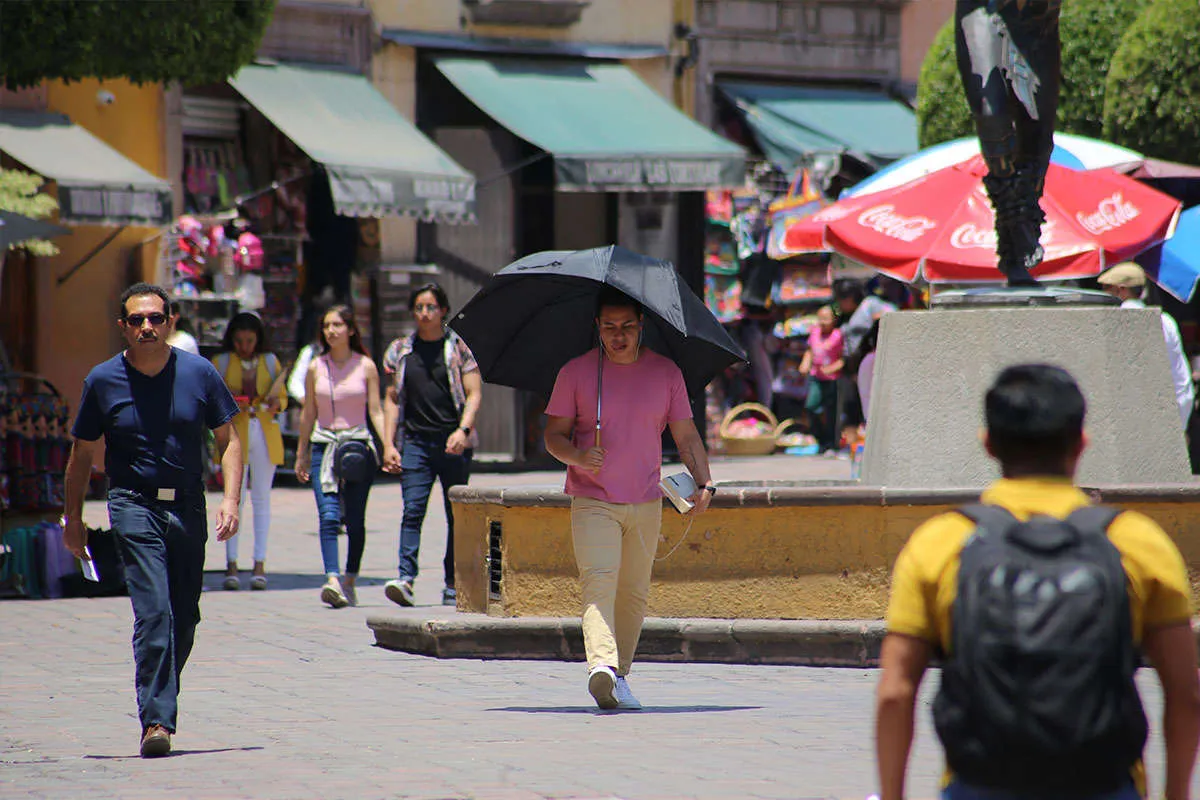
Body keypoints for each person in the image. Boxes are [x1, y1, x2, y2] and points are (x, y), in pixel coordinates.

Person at [876, 364, 1199, 800]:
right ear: (1081, 442)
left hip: (978, 785)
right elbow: (1185, 692)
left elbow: (896, 691)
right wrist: (1176, 793)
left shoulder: (941, 542)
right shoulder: (1137, 542)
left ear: (987, 443)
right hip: (1104, 785)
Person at [61, 282, 243, 758]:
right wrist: (71, 519)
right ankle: (156, 721)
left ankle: (160, 691)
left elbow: (229, 438)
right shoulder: (102, 381)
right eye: (137, 320)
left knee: (184, 616)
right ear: (122, 326)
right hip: (132, 503)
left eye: (156, 318)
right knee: (155, 610)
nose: (147, 327)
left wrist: (232, 500)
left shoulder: (199, 373)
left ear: (171, 322)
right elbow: (81, 454)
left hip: (187, 505)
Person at [544, 286, 715, 711]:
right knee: (599, 579)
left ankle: (619, 676)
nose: (618, 335)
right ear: (596, 329)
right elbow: (552, 437)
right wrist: (580, 456)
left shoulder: (666, 374)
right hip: (592, 498)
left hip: (645, 500)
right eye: (609, 327)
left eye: (627, 327)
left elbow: (686, 434)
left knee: (634, 592)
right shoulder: (576, 373)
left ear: (641, 328)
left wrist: (705, 481)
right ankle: (600, 666)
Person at [381, 283, 482, 608]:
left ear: (442, 310)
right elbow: (392, 399)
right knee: (412, 510)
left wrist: (463, 431)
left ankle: (452, 583)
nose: (424, 313)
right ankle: (406, 578)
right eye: (419, 307)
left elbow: (474, 394)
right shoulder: (400, 351)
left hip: (453, 443)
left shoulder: (458, 348)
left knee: (456, 515)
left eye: (431, 307)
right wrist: (388, 443)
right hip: (415, 443)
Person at [294, 304, 393, 609]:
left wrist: (388, 445)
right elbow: (309, 411)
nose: (331, 331)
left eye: (337, 325)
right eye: (326, 326)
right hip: (324, 445)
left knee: (355, 519)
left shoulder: (366, 366)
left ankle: (350, 578)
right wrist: (301, 453)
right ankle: (332, 578)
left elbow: (376, 409)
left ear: (351, 329)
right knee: (327, 516)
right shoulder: (315, 367)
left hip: (357, 447)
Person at [212, 312, 287, 591]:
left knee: (262, 498)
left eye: (250, 340)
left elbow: (282, 398)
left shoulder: (269, 361)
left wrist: (274, 404)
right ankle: (231, 564)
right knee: (234, 498)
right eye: (240, 340)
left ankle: (259, 563)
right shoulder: (220, 362)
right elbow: (211, 397)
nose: (244, 345)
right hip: (234, 434)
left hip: (263, 431)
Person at [1098, 262, 1195, 429]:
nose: (1103, 292)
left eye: (1107, 287)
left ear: (1121, 290)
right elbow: (1179, 374)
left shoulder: (1116, 321)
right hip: (1174, 405)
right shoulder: (1165, 320)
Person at [799, 305, 844, 454]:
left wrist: (832, 368)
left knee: (831, 413)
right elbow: (810, 350)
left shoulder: (838, 335)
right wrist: (805, 363)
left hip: (832, 379)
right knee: (811, 406)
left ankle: (830, 444)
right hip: (816, 377)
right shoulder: (815, 332)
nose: (823, 322)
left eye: (826, 319)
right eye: (821, 319)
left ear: (834, 320)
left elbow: (844, 359)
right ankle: (819, 438)